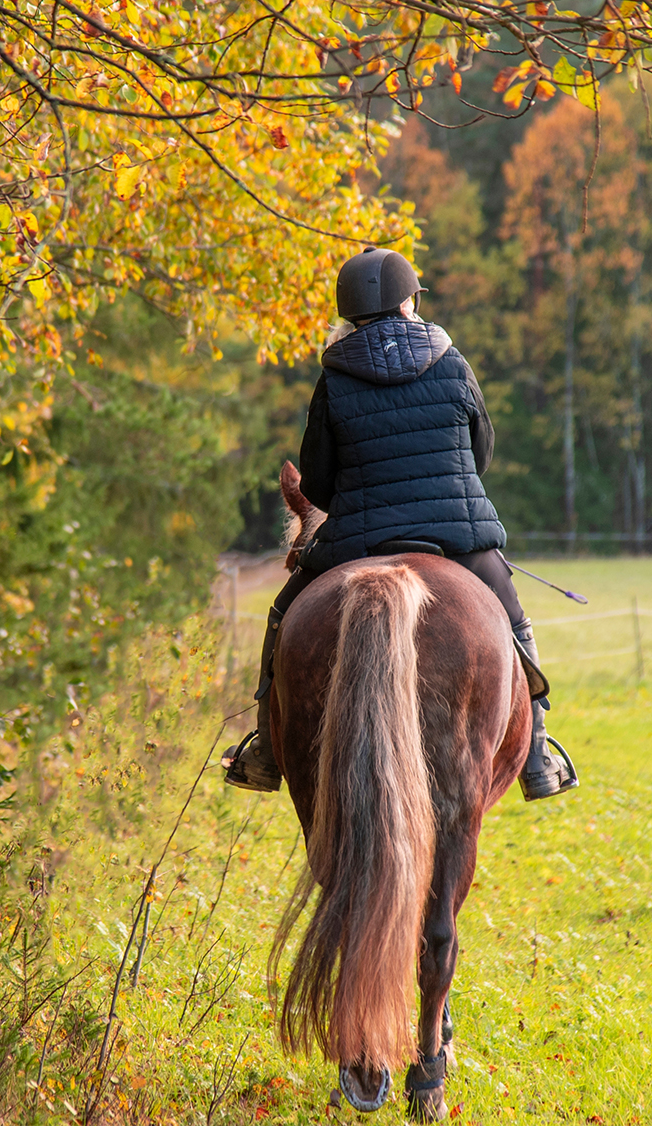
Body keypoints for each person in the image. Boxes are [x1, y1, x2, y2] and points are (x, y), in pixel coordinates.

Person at [223, 247, 578, 802]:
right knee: (512, 621)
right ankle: (538, 756)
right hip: (457, 536)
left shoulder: (333, 379)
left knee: (283, 615)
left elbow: (314, 482)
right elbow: (480, 452)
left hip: (356, 541)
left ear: (351, 313)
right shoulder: (453, 363)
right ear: (409, 300)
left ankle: (265, 752)